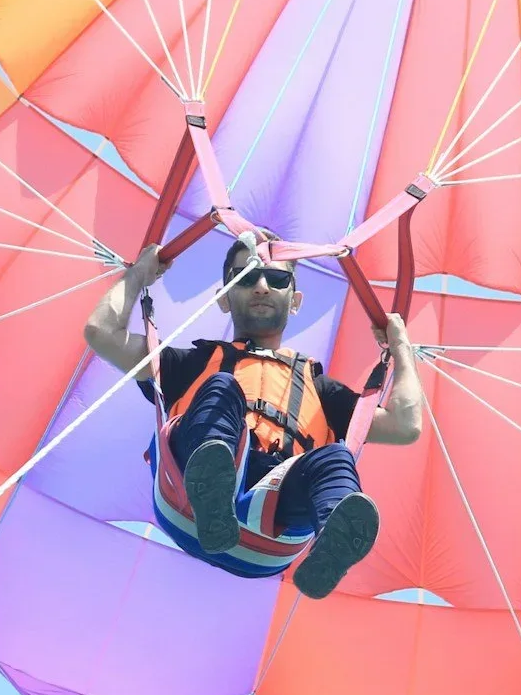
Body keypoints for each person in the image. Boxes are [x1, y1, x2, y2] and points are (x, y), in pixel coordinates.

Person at [82, 223, 424, 596]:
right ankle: (212, 493)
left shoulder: (321, 392)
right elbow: (101, 333)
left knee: (335, 459)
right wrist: (138, 276)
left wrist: (400, 349)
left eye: (276, 279)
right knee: (222, 387)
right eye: (245, 277)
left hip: (272, 524)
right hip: (186, 499)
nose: (261, 286)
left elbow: (405, 424)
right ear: (224, 297)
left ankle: (332, 545)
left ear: (295, 300)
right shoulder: (190, 364)